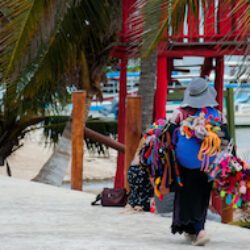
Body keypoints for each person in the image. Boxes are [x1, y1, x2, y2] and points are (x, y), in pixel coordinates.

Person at [169, 77, 230, 246]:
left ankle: (199, 230)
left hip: (184, 164)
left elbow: (168, 135)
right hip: (209, 163)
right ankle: (193, 230)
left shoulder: (180, 113)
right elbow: (228, 138)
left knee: (187, 195)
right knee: (202, 195)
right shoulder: (217, 115)